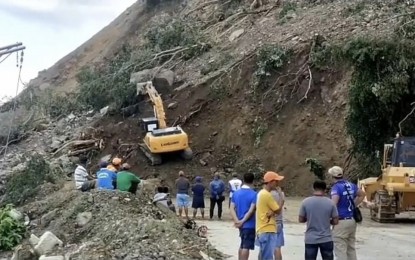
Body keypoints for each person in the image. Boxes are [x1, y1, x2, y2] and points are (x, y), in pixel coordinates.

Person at [329, 166, 365, 260]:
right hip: (352, 219)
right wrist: (354, 205)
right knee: (351, 248)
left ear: (332, 176)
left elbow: (333, 204)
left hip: (341, 221)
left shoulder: (336, 188)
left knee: (340, 249)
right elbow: (362, 194)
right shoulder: (350, 185)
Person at [299, 180, 339, 260]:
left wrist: (309, 218)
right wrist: (328, 221)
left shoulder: (305, 202)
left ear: (313, 188)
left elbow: (301, 219)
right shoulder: (331, 203)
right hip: (326, 238)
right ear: (325, 190)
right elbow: (336, 221)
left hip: (310, 238)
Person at [256, 171, 284, 260]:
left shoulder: (261, 193)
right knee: (267, 257)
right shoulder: (267, 195)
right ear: (271, 182)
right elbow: (278, 211)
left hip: (262, 228)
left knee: (262, 254)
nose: (277, 184)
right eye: (276, 181)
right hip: (268, 228)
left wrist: (272, 211)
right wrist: (282, 200)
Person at [229, 172, 257, 260]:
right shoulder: (254, 194)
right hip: (249, 224)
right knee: (246, 246)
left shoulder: (236, 193)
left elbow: (231, 208)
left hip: (239, 224)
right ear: (253, 181)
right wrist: (243, 221)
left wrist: (237, 221)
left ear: (243, 181)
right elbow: (251, 210)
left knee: (242, 244)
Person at [271, 186, 285, 260]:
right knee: (277, 248)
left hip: (267, 223)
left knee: (264, 248)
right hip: (278, 222)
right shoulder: (281, 194)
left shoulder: (265, 194)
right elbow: (282, 201)